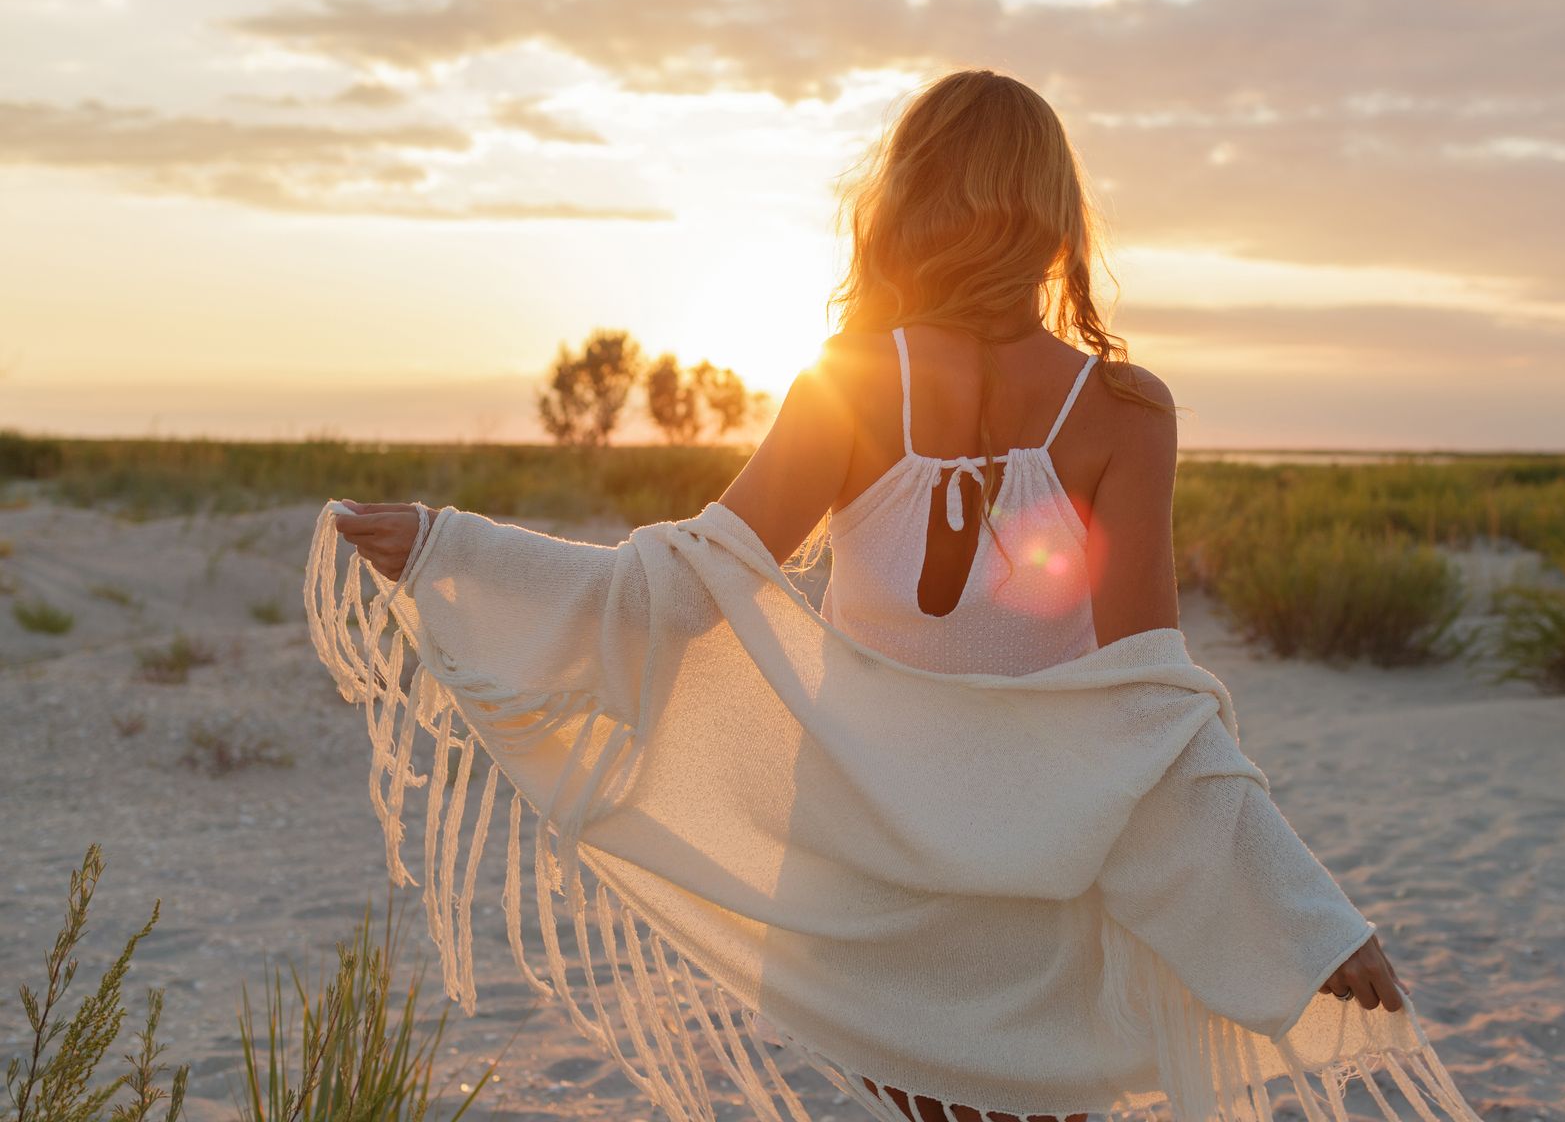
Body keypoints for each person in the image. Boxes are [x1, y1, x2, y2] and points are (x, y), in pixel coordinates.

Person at [330, 67, 1405, 1122]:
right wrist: (1305, 915)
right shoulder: (1125, 409)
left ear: (905, 207)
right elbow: (1151, 700)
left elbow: (670, 594)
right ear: (1055, 216)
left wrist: (452, 553)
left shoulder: (844, 380)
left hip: (866, 867)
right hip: (1044, 857)